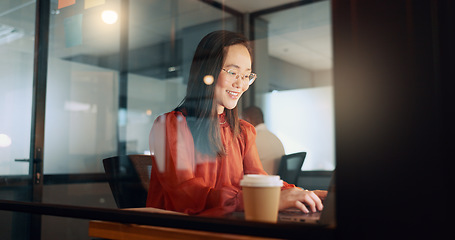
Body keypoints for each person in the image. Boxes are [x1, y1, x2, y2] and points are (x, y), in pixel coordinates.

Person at [146, 30, 326, 217]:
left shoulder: (243, 131)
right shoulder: (171, 125)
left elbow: (259, 180)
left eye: (247, 75)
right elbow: (186, 195)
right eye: (233, 72)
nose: (241, 84)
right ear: (207, 72)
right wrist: (263, 200)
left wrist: (302, 194)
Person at [242, 106, 285, 175]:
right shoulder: (275, 139)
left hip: (260, 182)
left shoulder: (252, 140)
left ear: (247, 120)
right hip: (275, 182)